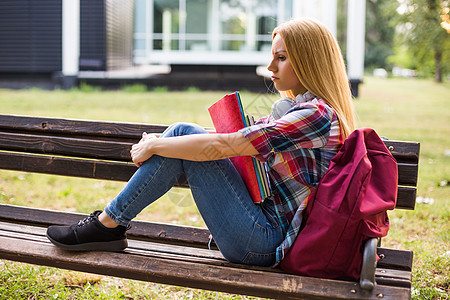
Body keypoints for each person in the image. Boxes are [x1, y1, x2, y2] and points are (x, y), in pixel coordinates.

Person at [46, 17, 356, 267]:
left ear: (309, 61)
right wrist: (162, 142)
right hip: (258, 229)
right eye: (272, 56)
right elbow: (225, 140)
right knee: (183, 134)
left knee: (183, 132)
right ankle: (108, 224)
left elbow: (227, 145)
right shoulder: (299, 111)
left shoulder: (316, 116)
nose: (271, 67)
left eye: (282, 57)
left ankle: (107, 224)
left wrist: (156, 146)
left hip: (264, 241)